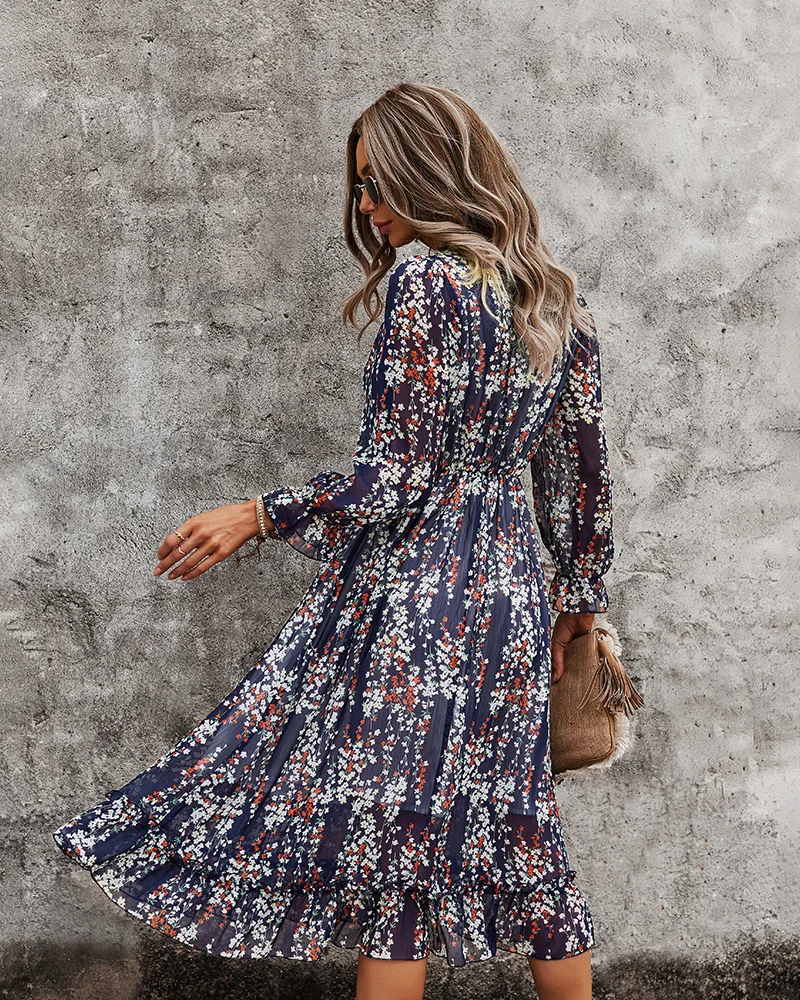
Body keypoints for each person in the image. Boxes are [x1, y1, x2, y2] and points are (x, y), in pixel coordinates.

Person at [53, 83, 614, 1000]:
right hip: (510, 595)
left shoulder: (426, 282)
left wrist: (258, 514)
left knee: (397, 844)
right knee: (522, 833)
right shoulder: (552, 295)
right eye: (359, 187)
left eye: (380, 183)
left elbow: (396, 478)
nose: (368, 206)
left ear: (431, 176)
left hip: (422, 599)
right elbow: (579, 481)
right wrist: (578, 604)